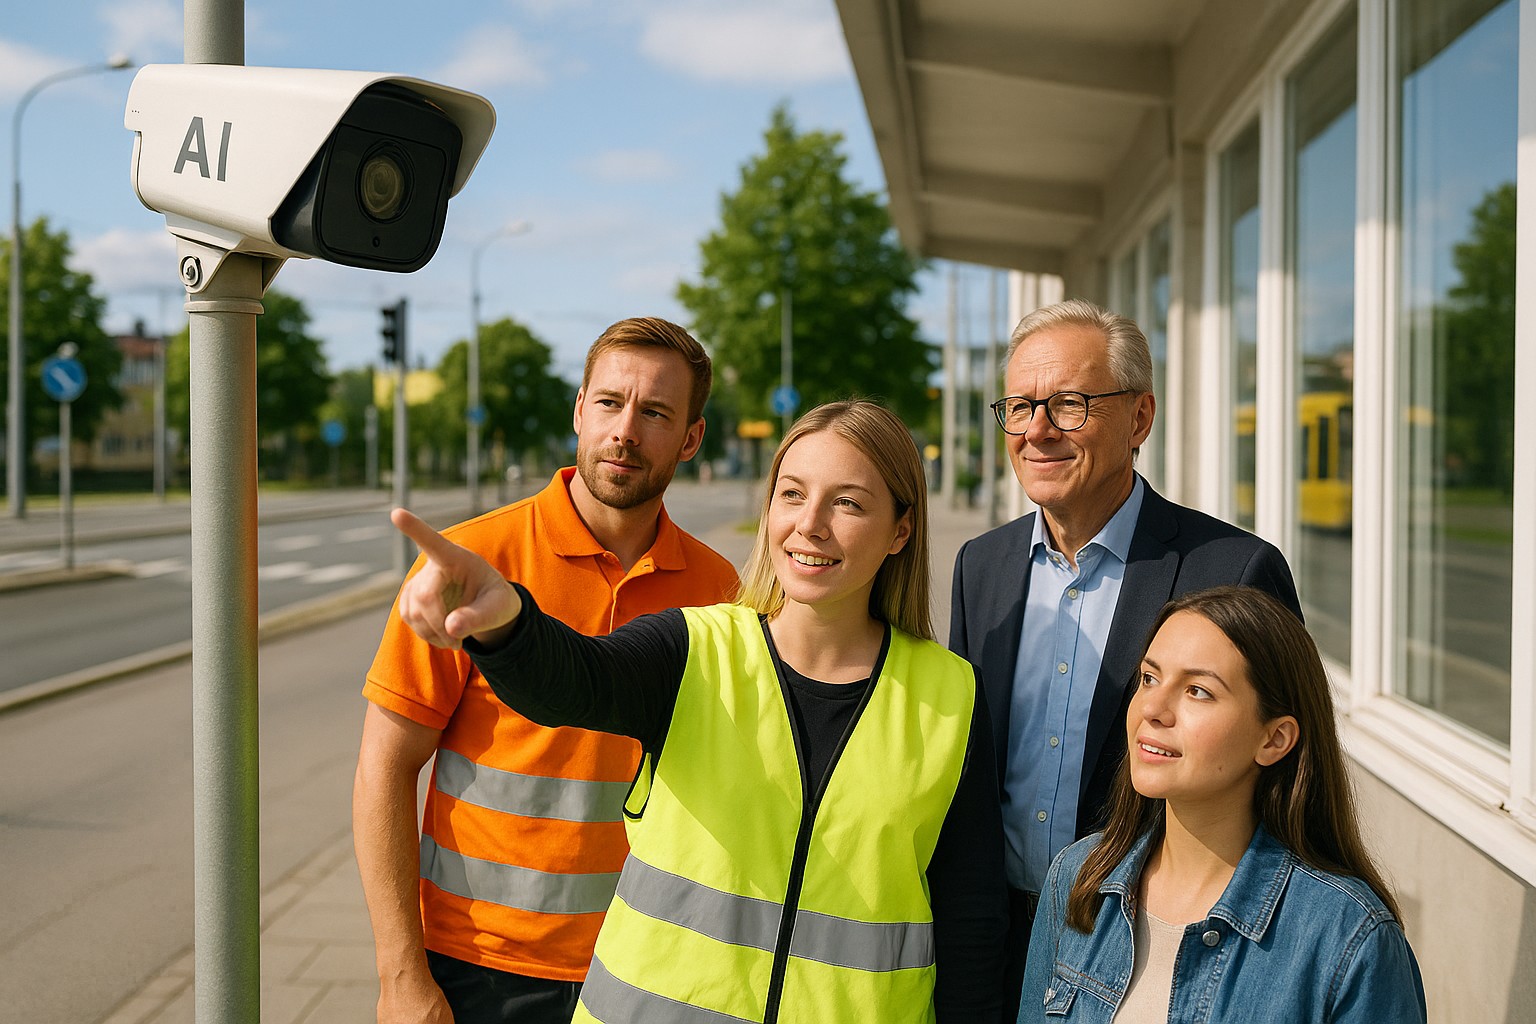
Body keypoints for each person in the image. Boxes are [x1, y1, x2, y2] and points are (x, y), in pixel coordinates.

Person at [390, 399, 1008, 1023]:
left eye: (847, 503)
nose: (811, 524)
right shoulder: (695, 649)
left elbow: (970, 921)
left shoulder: (951, 696)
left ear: (901, 530)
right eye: (792, 494)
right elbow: (572, 680)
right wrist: (505, 622)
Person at [353, 317, 740, 1024]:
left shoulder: (720, 590)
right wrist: (401, 977)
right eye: (609, 402)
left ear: (691, 438)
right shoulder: (470, 565)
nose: (625, 430)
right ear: (578, 409)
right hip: (480, 968)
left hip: (647, 961)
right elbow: (383, 767)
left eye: (655, 413)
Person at [948, 298, 1302, 1015]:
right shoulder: (978, 567)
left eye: (1069, 404)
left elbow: (1290, 787)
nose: (1037, 430)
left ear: (1139, 419)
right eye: (1018, 407)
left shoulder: (1234, 569)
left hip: (1153, 948)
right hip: (991, 942)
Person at [1018, 586, 1426, 1023]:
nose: (1152, 708)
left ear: (1274, 739)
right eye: (1149, 678)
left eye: (1197, 691)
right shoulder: (1079, 876)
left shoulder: (1348, 937)